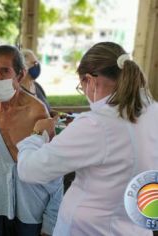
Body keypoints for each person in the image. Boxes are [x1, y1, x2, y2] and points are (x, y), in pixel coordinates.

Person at [16, 41, 158, 236]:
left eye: (81, 87)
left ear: (90, 80)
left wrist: (37, 135)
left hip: (90, 229)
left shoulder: (96, 124)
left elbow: (30, 170)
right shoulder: (153, 111)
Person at [0, 45, 63, 236]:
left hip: (32, 211)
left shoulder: (37, 111)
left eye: (5, 71)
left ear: (20, 75)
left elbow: (54, 171)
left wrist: (50, 220)